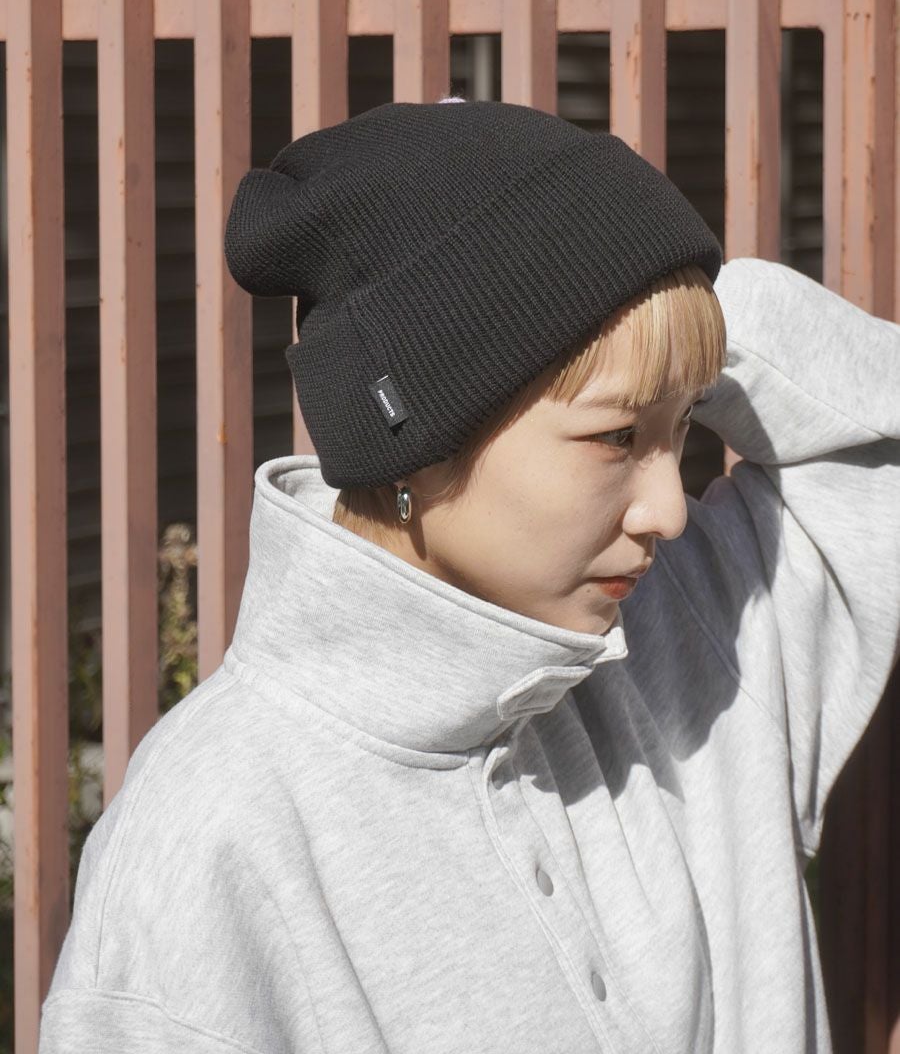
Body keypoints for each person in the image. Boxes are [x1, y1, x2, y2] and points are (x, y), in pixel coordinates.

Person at [39, 98, 900, 1053]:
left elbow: (883, 428)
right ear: (418, 441)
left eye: (683, 427)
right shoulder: (213, 839)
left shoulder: (692, 640)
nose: (669, 508)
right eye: (618, 437)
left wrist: (658, 301)